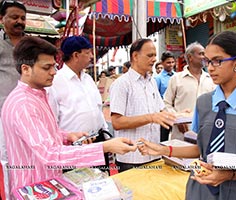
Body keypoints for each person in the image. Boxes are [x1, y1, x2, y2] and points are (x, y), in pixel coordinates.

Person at [138, 31, 236, 200]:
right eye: (208, 61)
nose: (211, 67)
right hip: (200, 190)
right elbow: (203, 150)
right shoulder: (204, 103)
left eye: (218, 61)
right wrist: (164, 149)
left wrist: (229, 175)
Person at [1, 36, 137, 196]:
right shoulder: (24, 104)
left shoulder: (37, 95)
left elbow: (41, 134)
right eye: (47, 67)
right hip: (34, 186)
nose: (53, 72)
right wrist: (104, 147)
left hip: (48, 182)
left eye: (54, 66)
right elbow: (49, 154)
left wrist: (67, 136)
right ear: (26, 69)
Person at [109, 38, 176, 172]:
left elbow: (161, 111)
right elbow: (117, 122)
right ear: (135, 56)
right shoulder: (122, 84)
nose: (153, 60)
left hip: (153, 154)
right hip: (132, 158)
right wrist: (151, 117)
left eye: (155, 56)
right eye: (149, 55)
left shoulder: (151, 82)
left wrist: (179, 116)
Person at [47, 36, 112, 173]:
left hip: (97, 142)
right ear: (76, 55)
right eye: (88, 52)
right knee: (78, 186)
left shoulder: (88, 79)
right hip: (74, 147)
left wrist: (105, 135)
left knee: (102, 185)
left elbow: (98, 109)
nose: (92, 56)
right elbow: (51, 122)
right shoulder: (56, 82)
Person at [0, 1, 26, 198]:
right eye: (14, 17)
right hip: (3, 114)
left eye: (23, 18)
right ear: (2, 19)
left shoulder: (30, 44)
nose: (20, 22)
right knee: (7, 159)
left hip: (28, 112)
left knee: (28, 156)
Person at [163, 42, 216, 140]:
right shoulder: (176, 79)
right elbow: (166, 104)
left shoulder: (211, 79)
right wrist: (177, 119)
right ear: (190, 57)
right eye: (201, 54)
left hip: (206, 134)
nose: (204, 57)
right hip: (181, 135)